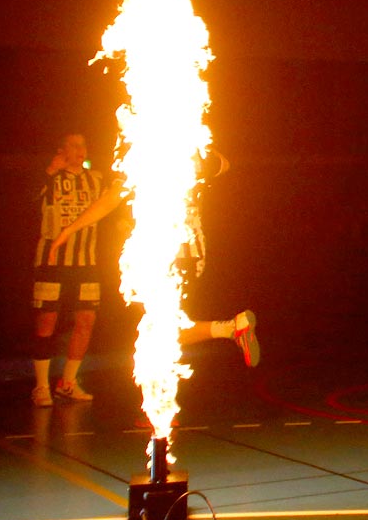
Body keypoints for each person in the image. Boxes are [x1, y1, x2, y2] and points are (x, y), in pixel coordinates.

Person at [47, 148, 259, 370]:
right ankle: (232, 329)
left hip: (172, 253)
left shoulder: (166, 154)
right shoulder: (181, 153)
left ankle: (232, 328)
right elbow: (224, 164)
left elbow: (111, 199)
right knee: (160, 330)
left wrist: (69, 230)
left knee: (159, 331)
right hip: (178, 253)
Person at [30, 134, 106, 407]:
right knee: (47, 321)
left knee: (86, 319)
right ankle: (41, 386)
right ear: (61, 149)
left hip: (86, 262)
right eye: (73, 145)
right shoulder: (49, 177)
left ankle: (68, 383)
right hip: (52, 261)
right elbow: (27, 198)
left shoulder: (95, 178)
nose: (79, 150)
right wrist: (51, 170)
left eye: (83, 145)